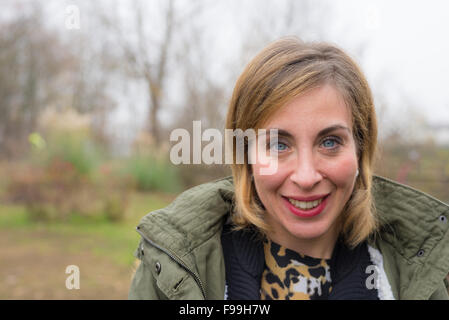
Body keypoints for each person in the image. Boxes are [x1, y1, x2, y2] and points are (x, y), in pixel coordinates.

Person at [128, 37, 449, 300]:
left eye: (330, 142)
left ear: (360, 148)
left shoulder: (418, 274)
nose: (306, 177)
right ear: (247, 157)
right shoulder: (177, 269)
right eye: (278, 145)